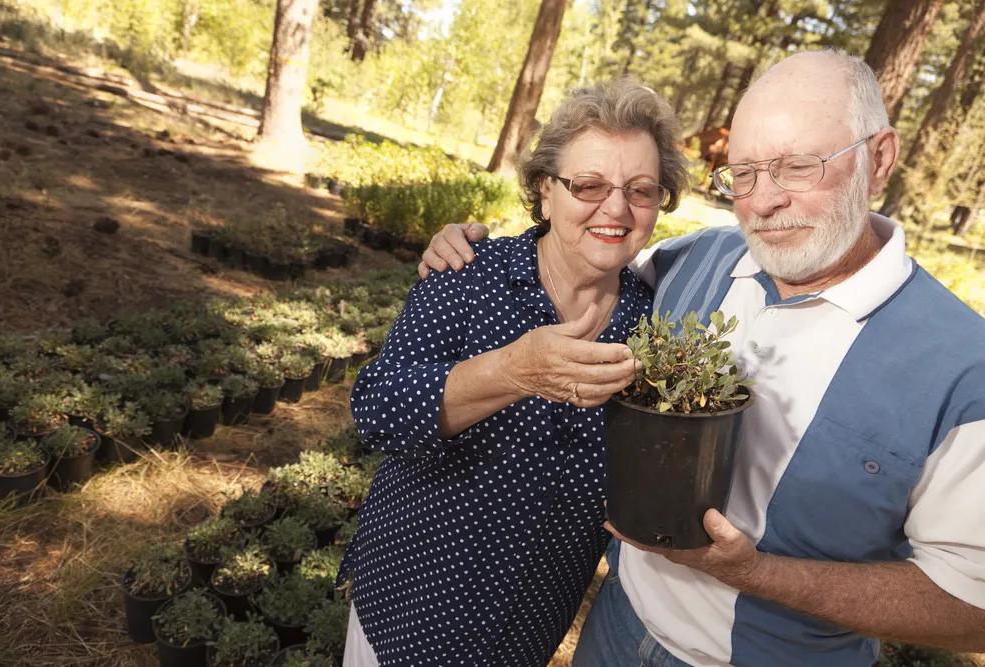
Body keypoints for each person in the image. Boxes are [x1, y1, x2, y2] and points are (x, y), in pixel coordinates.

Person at [417, 49, 985, 667]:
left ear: (879, 161)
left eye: (798, 167)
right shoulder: (698, 260)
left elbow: (973, 607)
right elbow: (589, 253)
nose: (763, 202)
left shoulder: (962, 367)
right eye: (743, 174)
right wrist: (469, 251)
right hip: (613, 628)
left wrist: (757, 573)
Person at [337, 78, 689, 667]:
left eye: (641, 190)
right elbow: (376, 411)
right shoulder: (469, 275)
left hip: (526, 631)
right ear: (546, 191)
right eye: (589, 185)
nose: (617, 208)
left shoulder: (653, 326)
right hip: (409, 611)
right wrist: (512, 371)